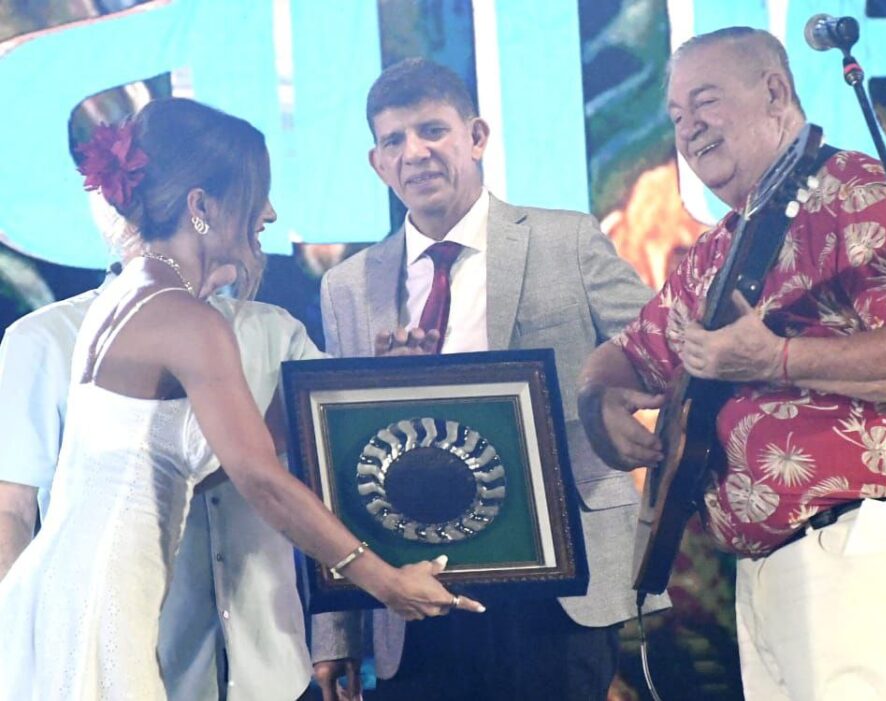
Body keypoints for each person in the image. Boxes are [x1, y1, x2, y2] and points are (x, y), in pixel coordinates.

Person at [0, 97, 482, 700]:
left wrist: (360, 381)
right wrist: (385, 582)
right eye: (255, 195)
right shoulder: (186, 318)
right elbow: (261, 479)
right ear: (200, 206)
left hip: (73, 597)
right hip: (101, 610)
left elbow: (198, 464)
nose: (270, 213)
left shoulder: (126, 300)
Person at [577, 27, 886, 701]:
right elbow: (625, 356)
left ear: (773, 93)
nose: (689, 128)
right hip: (769, 568)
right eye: (676, 115)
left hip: (868, 539)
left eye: (705, 102)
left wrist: (777, 358)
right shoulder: (716, 249)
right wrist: (599, 402)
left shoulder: (857, 193)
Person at [316, 57, 670, 701]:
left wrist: (609, 400)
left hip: (558, 581)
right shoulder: (347, 287)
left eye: (432, 130)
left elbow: (661, 348)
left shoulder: (567, 240)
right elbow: (337, 465)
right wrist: (336, 632)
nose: (414, 153)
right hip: (412, 589)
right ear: (377, 163)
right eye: (394, 140)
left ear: (476, 137)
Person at [0, 257, 324, 699]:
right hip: (129, 663)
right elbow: (11, 509)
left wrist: (393, 380)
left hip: (275, 667)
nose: (264, 222)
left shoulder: (275, 331)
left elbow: (339, 434)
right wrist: (25, 653)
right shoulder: (45, 337)